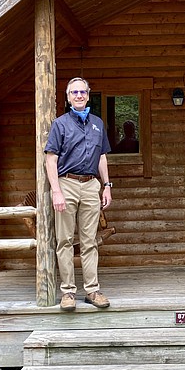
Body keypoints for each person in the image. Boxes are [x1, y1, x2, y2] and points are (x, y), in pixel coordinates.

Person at [44, 77, 113, 311]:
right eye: (74, 92)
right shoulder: (60, 124)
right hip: (67, 184)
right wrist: (56, 191)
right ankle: (68, 292)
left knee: (89, 241)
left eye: (83, 92)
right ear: (68, 96)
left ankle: (92, 290)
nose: (79, 95)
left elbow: (102, 156)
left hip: (92, 185)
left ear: (88, 94)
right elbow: (50, 159)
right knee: (64, 240)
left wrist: (107, 185)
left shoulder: (97, 123)